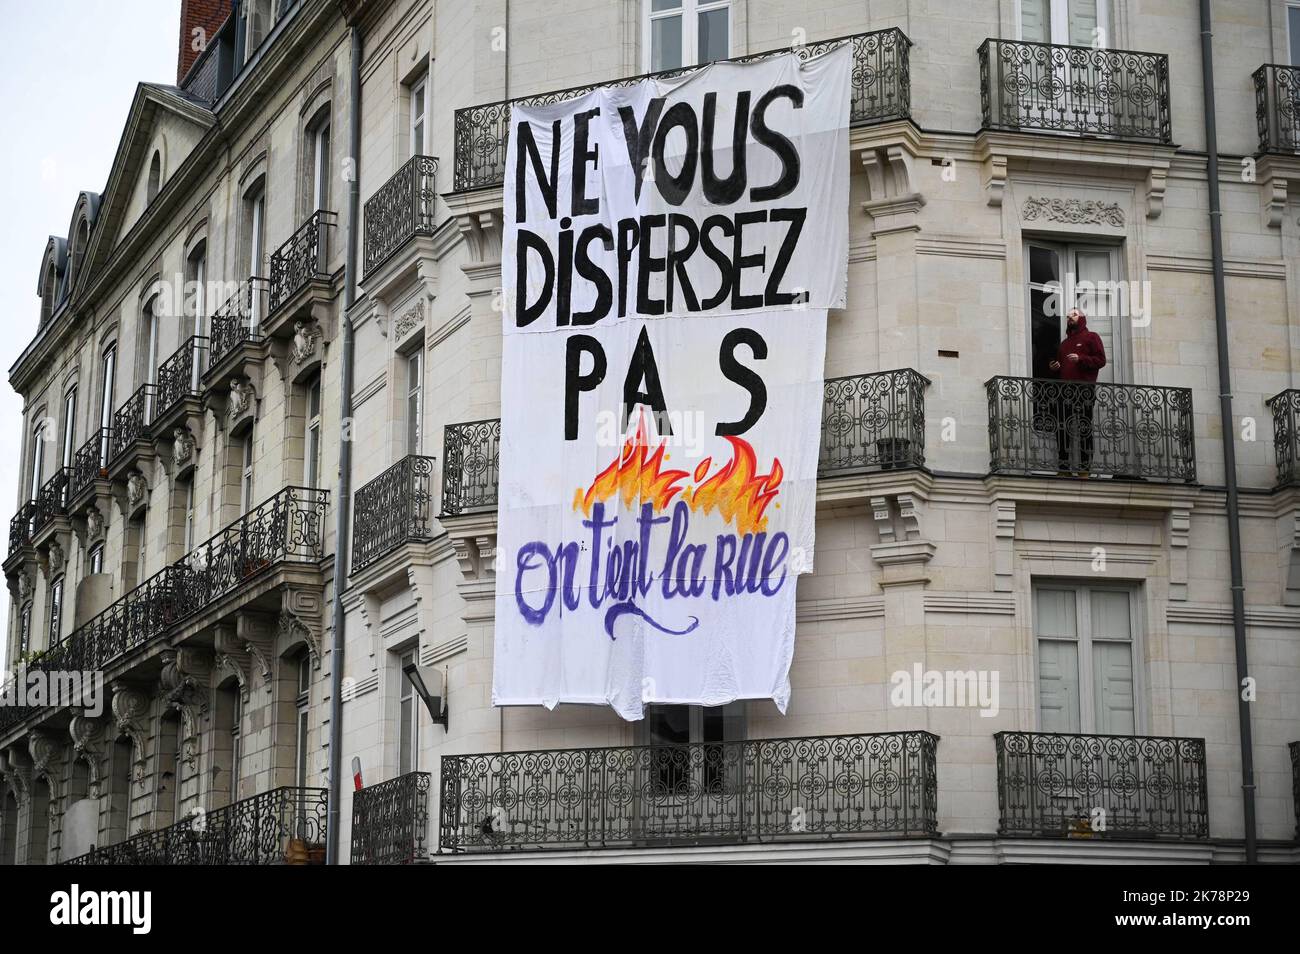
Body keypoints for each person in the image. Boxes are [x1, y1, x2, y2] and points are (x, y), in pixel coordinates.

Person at [1048, 307, 1107, 476]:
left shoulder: (1091, 337)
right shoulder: (1064, 344)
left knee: (1084, 428)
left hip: (1084, 390)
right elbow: (1059, 365)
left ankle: (1084, 468)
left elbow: (1101, 360)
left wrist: (1081, 359)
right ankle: (1064, 467)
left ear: (1081, 318)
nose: (1069, 318)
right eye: (1068, 316)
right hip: (1064, 390)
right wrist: (1054, 367)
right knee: (1062, 428)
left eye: (1073, 315)